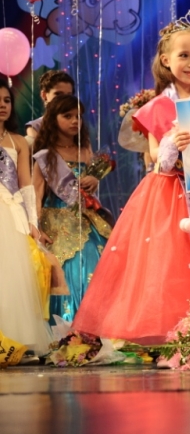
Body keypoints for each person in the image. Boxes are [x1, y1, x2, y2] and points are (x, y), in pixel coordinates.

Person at [72, 16, 190, 344]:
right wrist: (171, 143)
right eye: (184, 55)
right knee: (171, 261)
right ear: (166, 60)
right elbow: (156, 158)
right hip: (169, 192)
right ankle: (174, 332)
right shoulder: (157, 106)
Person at [32, 95, 111, 323]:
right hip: (56, 224)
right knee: (67, 271)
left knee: (96, 259)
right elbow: (36, 195)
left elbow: (90, 190)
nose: (75, 121)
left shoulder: (84, 151)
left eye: (78, 116)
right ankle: (66, 329)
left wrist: (94, 180)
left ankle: (94, 327)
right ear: (52, 119)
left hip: (87, 220)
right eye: (67, 116)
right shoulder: (45, 156)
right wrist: (37, 229)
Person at [0, 83, 53, 354]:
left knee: (13, 276)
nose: (3, 105)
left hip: (10, 215)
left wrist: (33, 222)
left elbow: (26, 186)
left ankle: (15, 341)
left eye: (7, 100)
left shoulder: (17, 141)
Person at [25, 70, 75, 147]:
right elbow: (37, 152)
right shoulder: (35, 127)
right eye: (58, 94)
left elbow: (87, 152)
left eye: (68, 95)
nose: (64, 99)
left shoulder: (76, 124)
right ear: (44, 95)